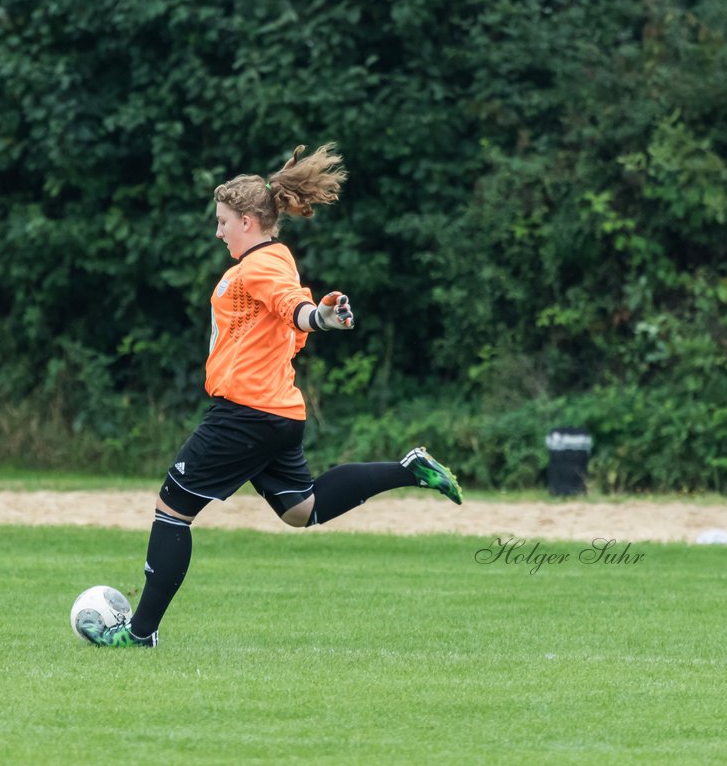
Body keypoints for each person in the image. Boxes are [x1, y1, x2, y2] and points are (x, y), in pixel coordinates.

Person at [78, 143, 462, 648]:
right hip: (275, 414)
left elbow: (294, 307)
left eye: (222, 221)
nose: (217, 231)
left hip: (245, 414)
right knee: (303, 510)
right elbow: (289, 319)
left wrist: (319, 316)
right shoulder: (268, 263)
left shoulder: (262, 265)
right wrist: (313, 318)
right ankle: (408, 469)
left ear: (247, 221)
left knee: (171, 510)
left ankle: (140, 633)